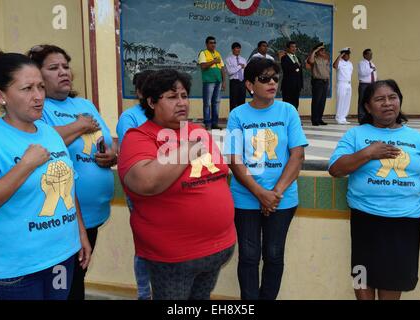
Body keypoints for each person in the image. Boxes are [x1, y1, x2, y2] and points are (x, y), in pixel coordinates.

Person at [117, 69, 236, 300]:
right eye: (172, 97)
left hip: (217, 250)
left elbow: (219, 174)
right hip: (174, 257)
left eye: (184, 96)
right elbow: (145, 181)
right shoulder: (139, 137)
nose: (181, 103)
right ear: (151, 102)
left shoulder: (199, 130)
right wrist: (189, 149)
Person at [0, 49, 91, 300]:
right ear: (0, 95)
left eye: (40, 87)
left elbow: (68, 187)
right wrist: (25, 166)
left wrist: (81, 233)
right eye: (27, 89)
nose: (38, 97)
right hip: (18, 269)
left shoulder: (50, 133)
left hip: (62, 256)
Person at [328, 80, 420, 300]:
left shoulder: (415, 138)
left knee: (393, 280)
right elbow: (336, 169)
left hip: (404, 222)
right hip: (365, 219)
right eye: (379, 99)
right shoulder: (355, 135)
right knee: (361, 275)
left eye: (392, 97)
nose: (387, 103)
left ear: (399, 101)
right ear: (367, 107)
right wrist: (368, 153)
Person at [28, 44, 116, 300]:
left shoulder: (84, 104)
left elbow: (107, 141)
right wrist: (78, 125)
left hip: (94, 215)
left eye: (65, 66)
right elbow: (39, 145)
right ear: (37, 76)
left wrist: (111, 155)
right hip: (62, 218)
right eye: (53, 68)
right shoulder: (37, 109)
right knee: (65, 288)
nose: (63, 72)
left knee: (76, 280)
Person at [224, 58, 308, 300]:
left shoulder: (288, 111)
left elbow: (297, 155)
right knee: (249, 256)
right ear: (250, 84)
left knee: (273, 254)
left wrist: (274, 193)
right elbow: (235, 159)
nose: (272, 83)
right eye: (264, 79)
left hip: (282, 198)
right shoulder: (238, 115)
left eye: (275, 78)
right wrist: (260, 193)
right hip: (245, 198)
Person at [116, 69, 154, 300]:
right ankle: (144, 293)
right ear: (139, 92)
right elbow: (135, 157)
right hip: (140, 192)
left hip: (167, 192)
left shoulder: (167, 115)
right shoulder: (130, 118)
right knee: (145, 245)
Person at [198, 36, 226, 130]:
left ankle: (214, 123)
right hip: (208, 81)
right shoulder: (203, 53)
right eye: (211, 43)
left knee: (216, 103)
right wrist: (214, 61)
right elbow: (202, 66)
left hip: (218, 81)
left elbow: (222, 68)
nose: (213, 44)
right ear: (206, 44)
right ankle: (207, 123)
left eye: (214, 43)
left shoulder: (218, 53)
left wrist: (224, 81)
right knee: (207, 103)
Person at [306, 43, 331, 126]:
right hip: (318, 82)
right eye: (321, 50)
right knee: (316, 101)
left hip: (325, 82)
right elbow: (310, 61)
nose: (324, 51)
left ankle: (320, 118)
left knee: (322, 102)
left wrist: (328, 82)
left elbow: (327, 72)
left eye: (324, 50)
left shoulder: (325, 59)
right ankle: (314, 120)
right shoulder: (315, 59)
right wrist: (315, 50)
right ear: (317, 51)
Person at [333, 47, 353, 124]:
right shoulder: (340, 62)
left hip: (348, 84)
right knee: (341, 101)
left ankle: (343, 117)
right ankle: (338, 118)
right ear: (343, 55)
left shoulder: (350, 64)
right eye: (346, 54)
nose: (348, 56)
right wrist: (339, 56)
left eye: (348, 54)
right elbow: (334, 66)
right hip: (341, 83)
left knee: (347, 101)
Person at [280, 41, 304, 109]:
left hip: (297, 85)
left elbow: (300, 72)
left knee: (296, 103)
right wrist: (296, 65)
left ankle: (293, 118)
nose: (294, 48)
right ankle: (286, 119)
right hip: (288, 85)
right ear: (288, 48)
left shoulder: (298, 58)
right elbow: (286, 69)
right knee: (287, 104)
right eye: (292, 47)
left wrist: (301, 84)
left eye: (295, 47)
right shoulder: (284, 58)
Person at [225, 42, 247, 111]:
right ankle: (233, 118)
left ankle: (241, 119)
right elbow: (230, 72)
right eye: (236, 48)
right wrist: (240, 66)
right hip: (234, 82)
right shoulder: (229, 59)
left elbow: (246, 71)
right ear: (232, 50)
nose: (238, 50)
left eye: (239, 48)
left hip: (242, 82)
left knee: (242, 101)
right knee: (233, 101)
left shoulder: (243, 59)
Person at [358, 49, 377, 123]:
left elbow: (374, 74)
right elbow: (363, 73)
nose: (371, 55)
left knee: (370, 101)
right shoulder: (361, 63)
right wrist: (371, 69)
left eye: (371, 54)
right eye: (369, 54)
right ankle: (361, 117)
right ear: (364, 55)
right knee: (362, 101)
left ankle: (369, 117)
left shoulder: (372, 63)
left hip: (372, 84)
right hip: (364, 84)